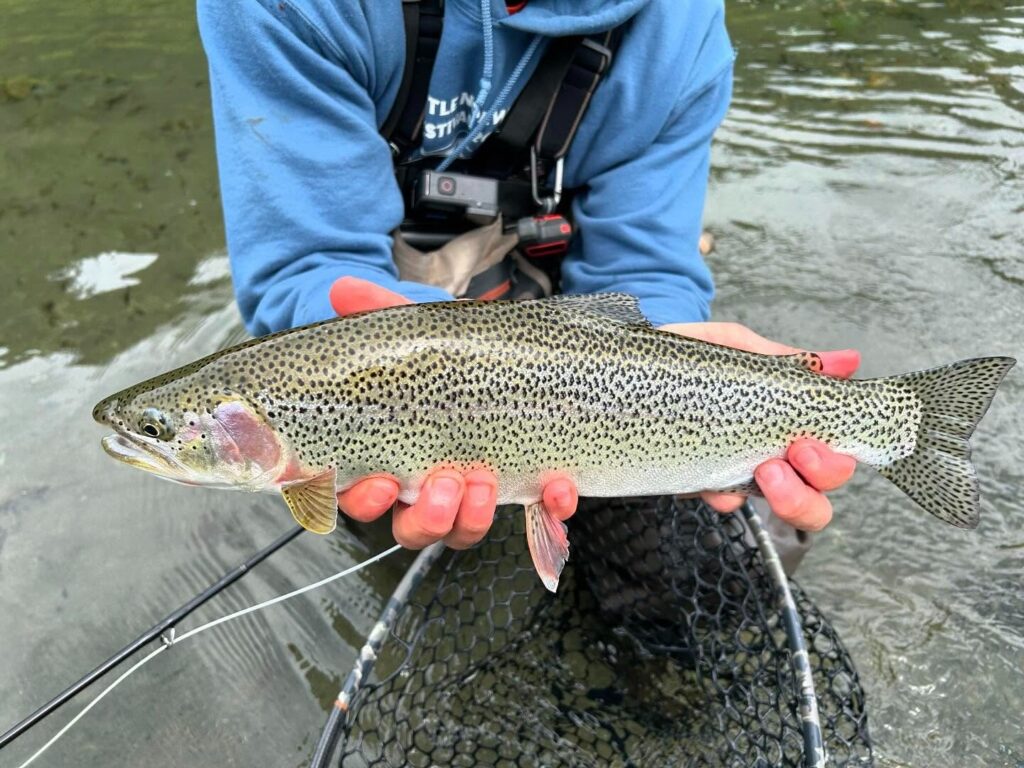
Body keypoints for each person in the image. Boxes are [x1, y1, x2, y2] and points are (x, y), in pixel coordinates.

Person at [197, 0, 857, 554]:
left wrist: (671, 372)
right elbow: (308, 263)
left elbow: (642, 269)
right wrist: (420, 363)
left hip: (560, 312)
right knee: (395, 516)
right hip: (380, 324)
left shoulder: (678, 25)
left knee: (698, 548)